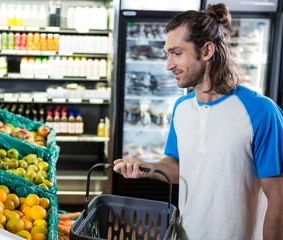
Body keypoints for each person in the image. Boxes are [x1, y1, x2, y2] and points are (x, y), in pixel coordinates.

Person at [113, 3, 283, 240]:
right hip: (185, 234)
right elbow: (178, 166)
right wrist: (145, 168)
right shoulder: (182, 109)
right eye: (167, 54)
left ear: (206, 51)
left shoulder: (261, 111)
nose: (168, 65)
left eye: (177, 53)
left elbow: (278, 198)